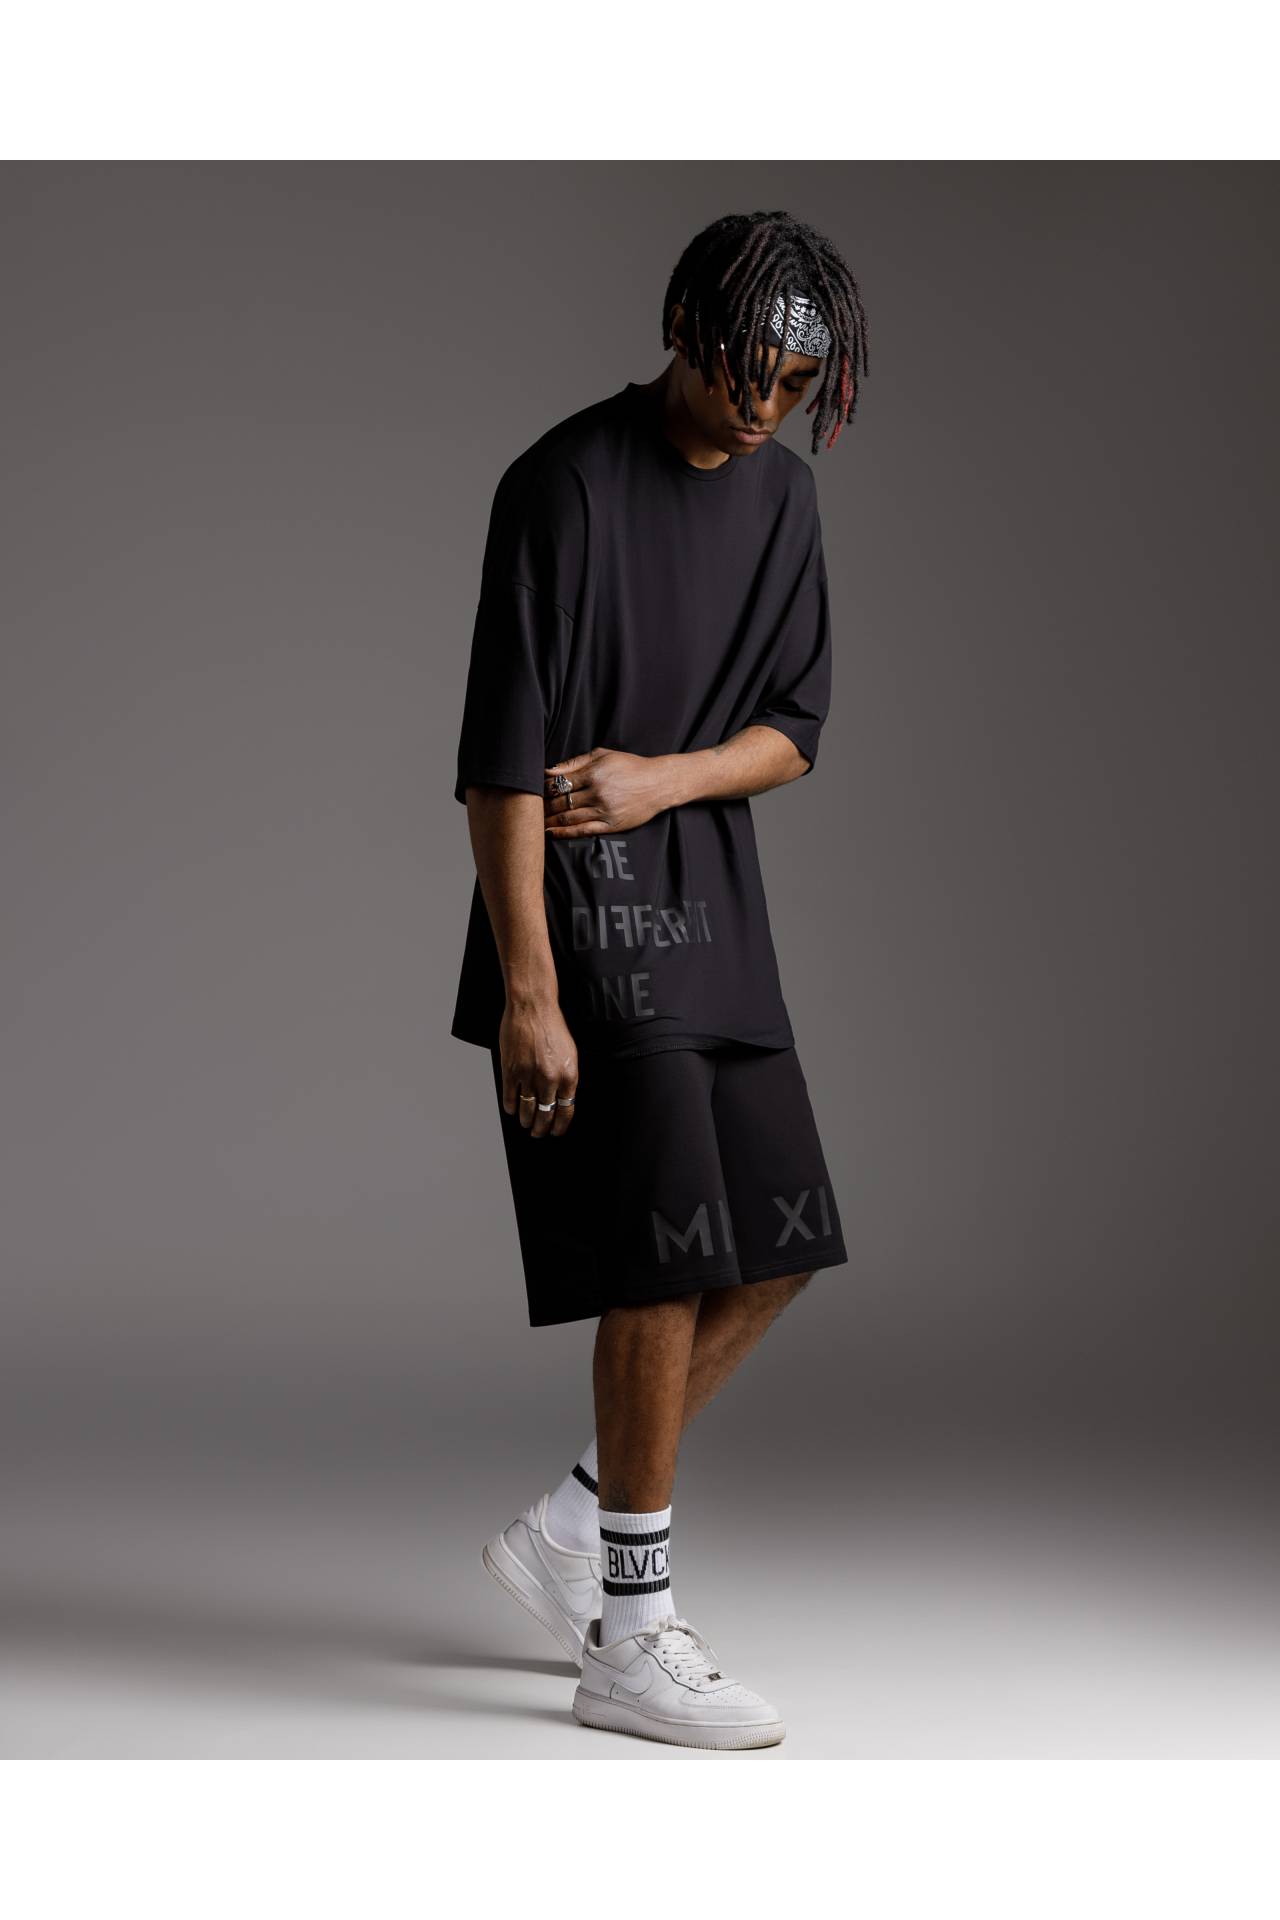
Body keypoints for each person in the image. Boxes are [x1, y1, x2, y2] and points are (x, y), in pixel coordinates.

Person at [451, 208, 869, 1749]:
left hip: (713, 899)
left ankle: (577, 1521)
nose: (762, 406)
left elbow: (794, 732)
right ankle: (632, 1631)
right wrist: (529, 991)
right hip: (586, 916)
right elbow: (499, 763)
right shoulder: (561, 484)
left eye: (792, 386)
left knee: (779, 1242)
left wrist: (662, 779)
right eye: (745, 371)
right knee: (661, 1256)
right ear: (685, 326)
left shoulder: (787, 500)